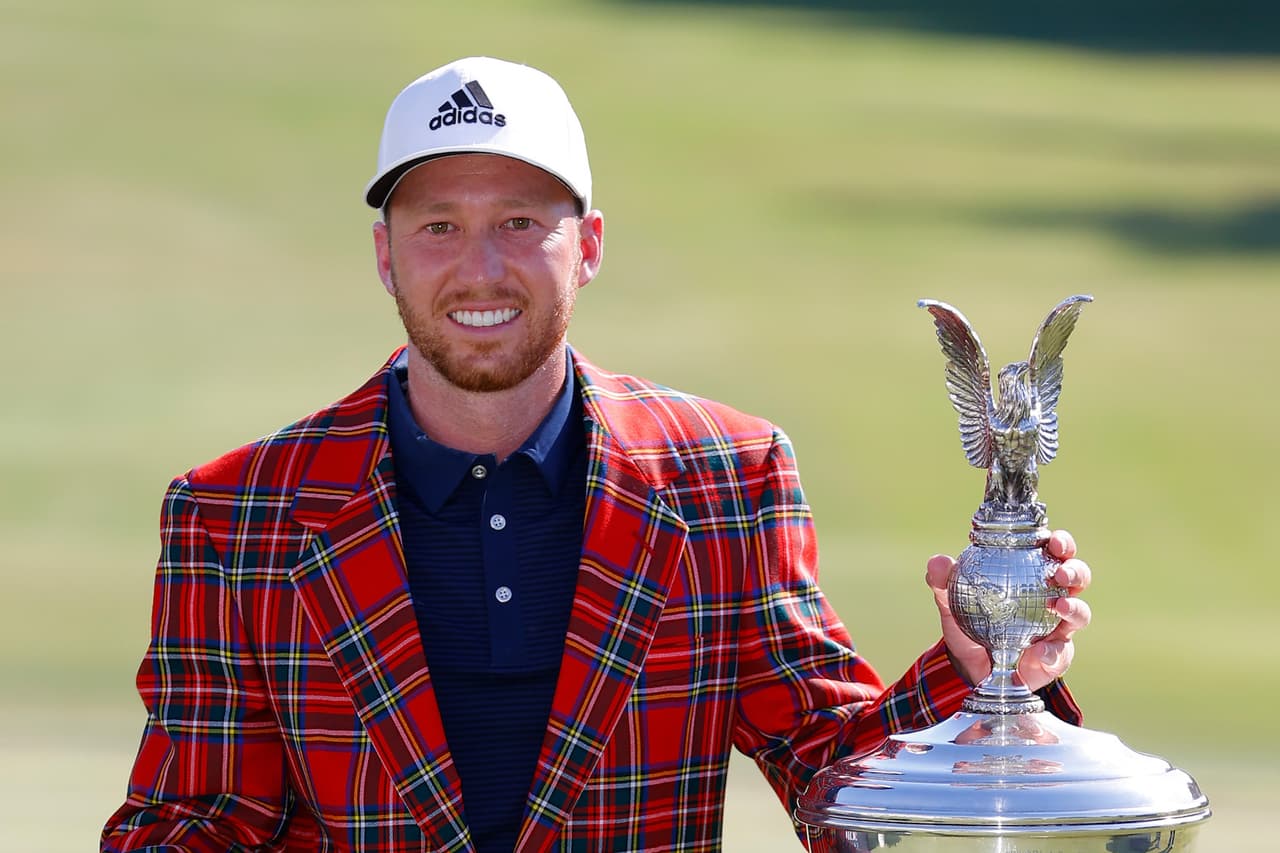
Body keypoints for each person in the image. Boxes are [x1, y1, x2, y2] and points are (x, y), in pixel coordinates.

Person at [102, 56, 1091, 852]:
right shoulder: (233, 513)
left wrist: (973, 668)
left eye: (520, 224)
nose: (478, 266)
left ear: (588, 245)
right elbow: (199, 816)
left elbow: (830, 781)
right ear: (384, 252)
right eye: (439, 225)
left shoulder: (723, 476)